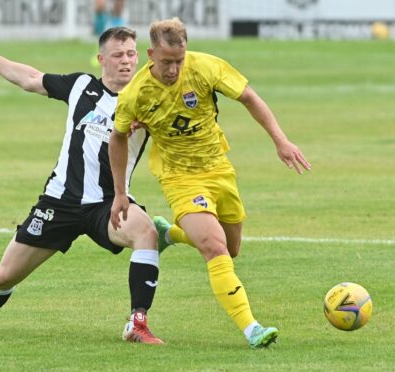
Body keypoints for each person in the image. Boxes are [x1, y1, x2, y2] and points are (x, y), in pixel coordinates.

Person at [0, 27, 172, 344]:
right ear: (102, 59)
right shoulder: (80, 86)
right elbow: (30, 78)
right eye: (118, 55)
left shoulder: (149, 98)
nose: (126, 61)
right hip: (59, 202)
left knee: (146, 233)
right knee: (5, 275)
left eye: (131, 54)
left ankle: (137, 324)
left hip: (110, 203)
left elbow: (176, 131)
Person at [109, 18, 311, 348]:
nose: (174, 69)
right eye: (166, 62)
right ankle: (252, 329)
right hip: (179, 177)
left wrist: (281, 140)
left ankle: (169, 234)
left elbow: (248, 97)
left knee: (231, 249)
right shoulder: (136, 93)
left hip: (219, 168)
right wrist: (120, 193)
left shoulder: (205, 67)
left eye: (179, 60)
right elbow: (116, 138)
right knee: (215, 248)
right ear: (150, 55)